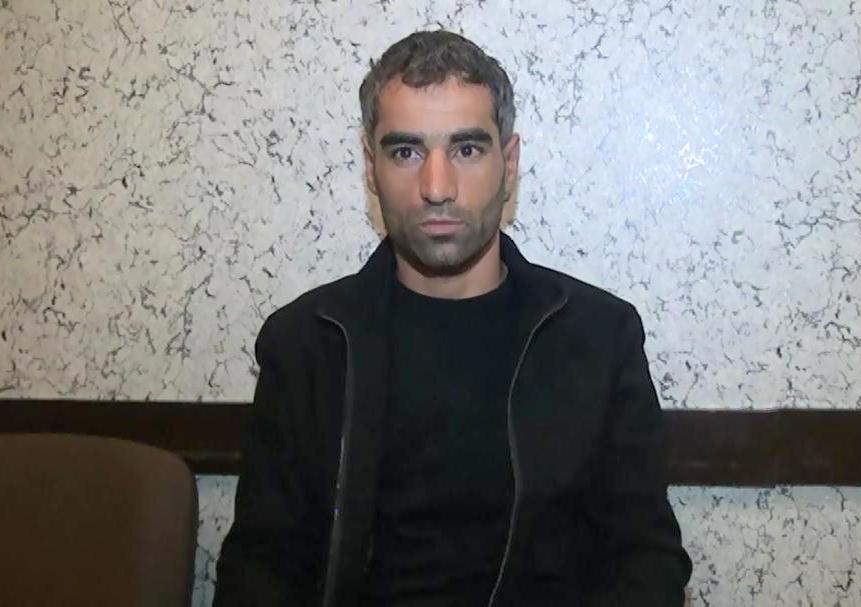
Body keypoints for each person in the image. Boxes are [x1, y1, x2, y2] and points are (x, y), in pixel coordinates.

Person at [214, 30, 692, 607]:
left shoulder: (599, 337)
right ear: (370, 167)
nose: (436, 188)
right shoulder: (305, 344)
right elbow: (260, 568)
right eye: (406, 152)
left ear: (508, 163)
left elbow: (646, 562)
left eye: (466, 150)